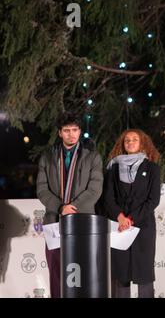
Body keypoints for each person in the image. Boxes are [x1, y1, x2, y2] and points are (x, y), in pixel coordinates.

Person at [36, 112, 103, 298]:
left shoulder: (93, 157)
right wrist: (60, 208)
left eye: (74, 130)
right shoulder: (47, 158)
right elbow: (42, 189)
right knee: (56, 272)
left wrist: (72, 208)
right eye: (66, 130)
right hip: (54, 222)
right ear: (60, 133)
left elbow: (95, 190)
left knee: (84, 272)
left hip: (82, 221)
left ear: (80, 131)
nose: (71, 134)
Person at [103, 129, 161, 298]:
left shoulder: (152, 168)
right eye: (127, 140)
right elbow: (108, 198)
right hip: (119, 227)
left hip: (143, 228)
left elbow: (153, 200)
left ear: (142, 143)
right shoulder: (113, 169)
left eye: (134, 139)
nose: (130, 142)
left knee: (144, 275)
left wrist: (131, 219)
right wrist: (120, 218)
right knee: (121, 275)